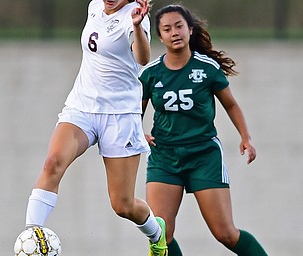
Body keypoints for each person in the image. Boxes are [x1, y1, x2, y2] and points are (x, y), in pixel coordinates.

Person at [23, 0, 168, 255]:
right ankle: (32, 237)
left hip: (120, 115)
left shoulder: (133, 16)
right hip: (82, 107)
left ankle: (156, 235)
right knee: (52, 163)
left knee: (122, 205)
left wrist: (136, 26)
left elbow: (143, 58)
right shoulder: (94, 7)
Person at [139, 4, 268, 256]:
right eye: (167, 29)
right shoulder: (151, 73)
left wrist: (246, 137)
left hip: (203, 155)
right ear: (160, 36)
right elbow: (134, 113)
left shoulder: (206, 68)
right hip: (164, 157)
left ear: (190, 29)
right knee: (160, 235)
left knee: (225, 234)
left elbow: (230, 104)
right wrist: (137, 133)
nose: (174, 32)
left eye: (179, 26)